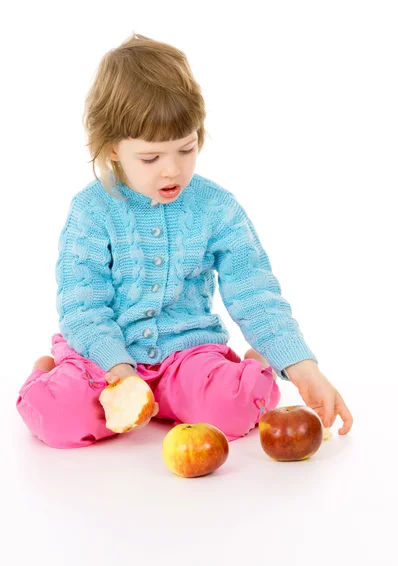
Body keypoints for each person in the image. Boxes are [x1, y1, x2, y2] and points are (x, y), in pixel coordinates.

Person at [16, 32, 353, 449]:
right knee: (56, 419)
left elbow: (255, 292)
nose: (172, 171)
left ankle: (254, 367)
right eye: (151, 158)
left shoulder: (217, 207)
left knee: (236, 408)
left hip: (185, 356)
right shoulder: (91, 211)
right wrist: (117, 367)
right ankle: (45, 370)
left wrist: (303, 368)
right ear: (113, 149)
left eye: (186, 149)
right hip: (102, 358)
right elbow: (81, 305)